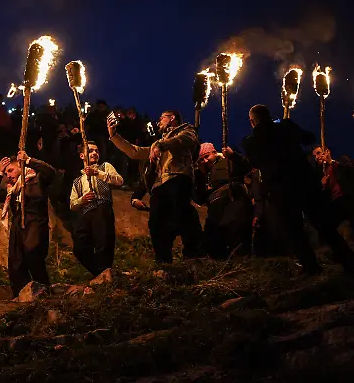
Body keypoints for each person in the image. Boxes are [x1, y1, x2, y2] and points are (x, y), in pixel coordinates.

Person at [233, 105, 354, 275]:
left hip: (281, 191)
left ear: (252, 121)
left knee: (295, 232)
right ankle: (348, 260)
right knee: (324, 226)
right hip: (304, 183)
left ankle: (311, 267)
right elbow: (309, 137)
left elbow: (255, 164)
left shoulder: (251, 142)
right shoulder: (286, 127)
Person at [108, 110, 204, 263]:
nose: (158, 121)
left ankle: (194, 256)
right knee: (156, 223)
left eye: (162, 118)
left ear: (172, 118)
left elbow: (186, 140)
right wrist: (114, 136)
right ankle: (163, 260)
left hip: (177, 177)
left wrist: (161, 145)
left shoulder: (186, 130)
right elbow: (135, 152)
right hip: (159, 186)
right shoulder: (156, 144)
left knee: (182, 214)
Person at [0, 151, 56, 297]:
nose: (8, 176)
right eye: (6, 174)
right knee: (16, 261)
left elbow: (50, 172)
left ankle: (44, 290)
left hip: (35, 220)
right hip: (18, 222)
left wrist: (29, 160)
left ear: (20, 165)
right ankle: (22, 295)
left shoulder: (37, 179)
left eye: (10, 170)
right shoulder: (11, 189)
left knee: (32, 252)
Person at [69, 141, 123, 277]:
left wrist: (98, 173)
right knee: (80, 247)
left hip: (102, 207)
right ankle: (100, 273)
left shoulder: (105, 167)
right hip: (86, 211)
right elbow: (72, 204)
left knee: (103, 242)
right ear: (82, 155)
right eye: (91, 151)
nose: (94, 153)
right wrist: (83, 199)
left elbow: (119, 181)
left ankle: (105, 273)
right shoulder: (78, 180)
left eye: (97, 151)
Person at [193, 143, 253, 259]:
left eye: (207, 156)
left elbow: (248, 167)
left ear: (215, 153)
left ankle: (243, 268)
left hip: (234, 207)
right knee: (213, 247)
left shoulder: (228, 162)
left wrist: (233, 156)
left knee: (238, 244)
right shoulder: (200, 175)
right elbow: (198, 198)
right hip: (215, 214)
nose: (205, 161)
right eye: (201, 159)